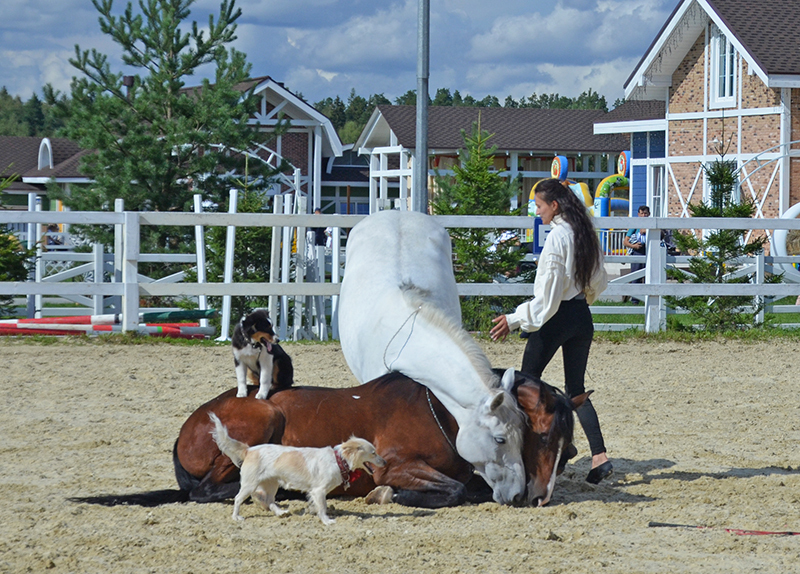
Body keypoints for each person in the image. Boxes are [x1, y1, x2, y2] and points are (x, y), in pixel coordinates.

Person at [489, 178, 612, 484]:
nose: (537, 210)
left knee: (524, 386)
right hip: (581, 315)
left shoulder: (558, 237)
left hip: (555, 319)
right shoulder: (585, 231)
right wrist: (581, 301)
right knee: (576, 390)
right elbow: (600, 279)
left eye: (539, 205)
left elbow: (547, 299)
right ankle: (599, 457)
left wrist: (516, 319)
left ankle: (550, 450)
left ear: (554, 205)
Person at [623, 205, 649, 304]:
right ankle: (635, 300)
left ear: (648, 214)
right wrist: (633, 246)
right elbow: (625, 241)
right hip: (637, 251)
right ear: (638, 214)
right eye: (641, 213)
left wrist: (646, 231)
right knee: (635, 276)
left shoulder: (651, 224)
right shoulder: (635, 225)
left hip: (649, 250)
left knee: (649, 276)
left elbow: (661, 234)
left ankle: (647, 299)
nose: (643, 215)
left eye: (645, 213)